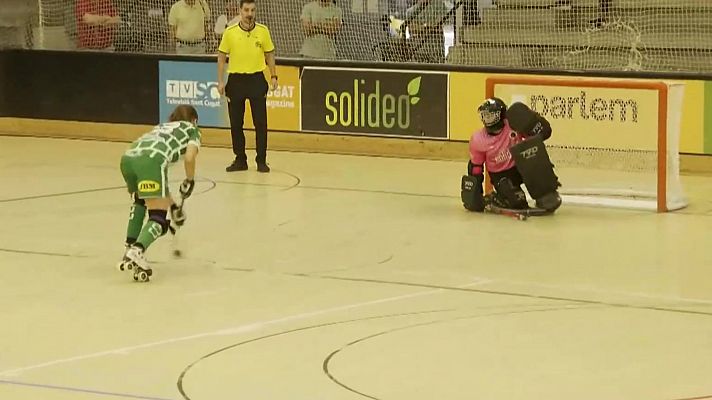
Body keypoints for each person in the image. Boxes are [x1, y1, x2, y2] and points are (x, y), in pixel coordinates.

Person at [117, 105, 201, 282]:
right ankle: (137, 250)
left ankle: (129, 247)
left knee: (140, 200)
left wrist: (173, 206)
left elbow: (158, 186)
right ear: (194, 120)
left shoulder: (161, 127)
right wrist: (189, 180)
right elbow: (189, 158)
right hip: (151, 161)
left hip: (128, 159)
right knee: (159, 219)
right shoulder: (192, 129)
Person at [461, 98, 562, 214]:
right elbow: (476, 168)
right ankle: (497, 197)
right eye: (485, 116)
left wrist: (534, 122)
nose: (488, 120)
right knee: (517, 203)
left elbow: (537, 136)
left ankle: (545, 193)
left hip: (520, 166)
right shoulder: (478, 139)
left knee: (533, 154)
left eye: (492, 115)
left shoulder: (513, 124)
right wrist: (475, 195)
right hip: (500, 175)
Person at [217, 0, 278, 173]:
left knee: (261, 123)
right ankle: (240, 159)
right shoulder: (229, 32)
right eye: (246, 10)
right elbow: (221, 57)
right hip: (236, 81)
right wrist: (220, 81)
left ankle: (261, 160)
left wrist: (273, 75)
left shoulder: (263, 31)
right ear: (240, 11)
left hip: (257, 80)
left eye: (252, 10)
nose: (249, 13)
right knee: (236, 123)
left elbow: (270, 54)